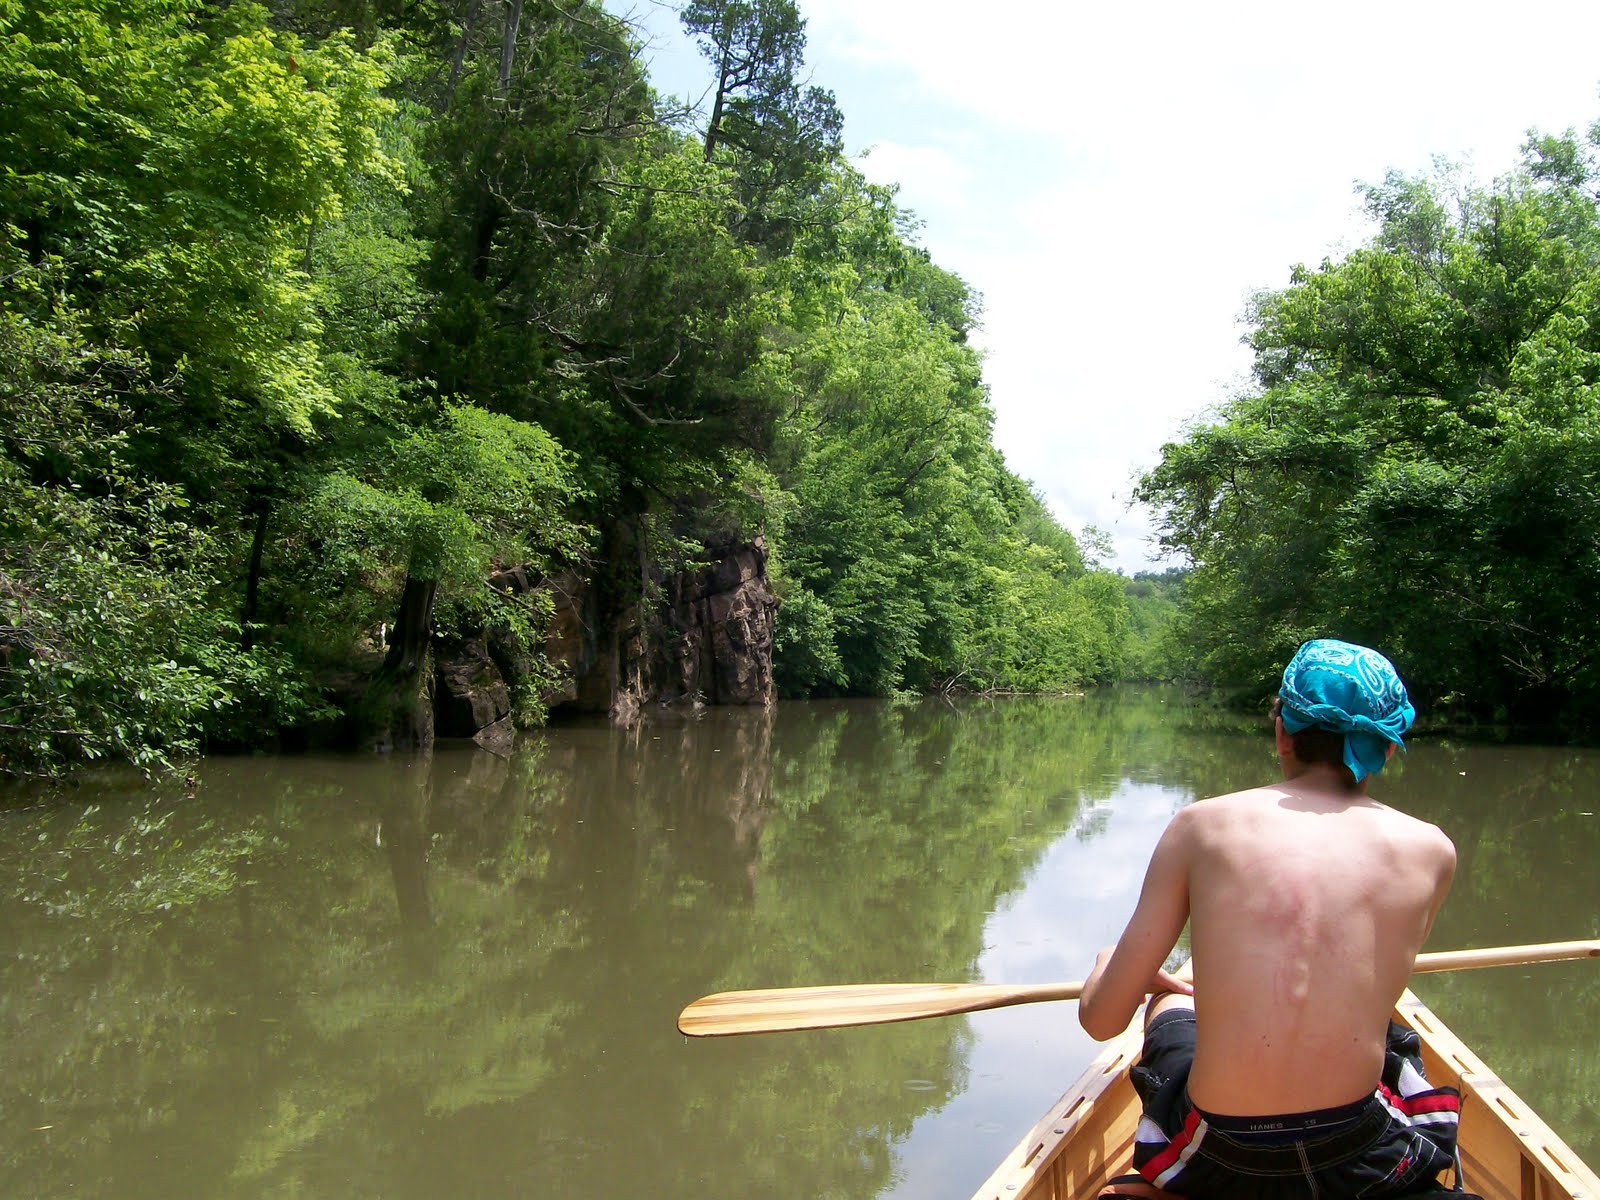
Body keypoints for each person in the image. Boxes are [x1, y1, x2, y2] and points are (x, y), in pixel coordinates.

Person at [1078, 638, 1462, 1200]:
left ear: (1283, 732)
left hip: (1225, 1155)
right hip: (1354, 1151)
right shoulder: (1433, 850)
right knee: (1393, 1038)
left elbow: (1102, 1021)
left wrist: (1108, 968)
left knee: (1174, 1003)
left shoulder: (1201, 826)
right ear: (1387, 748)